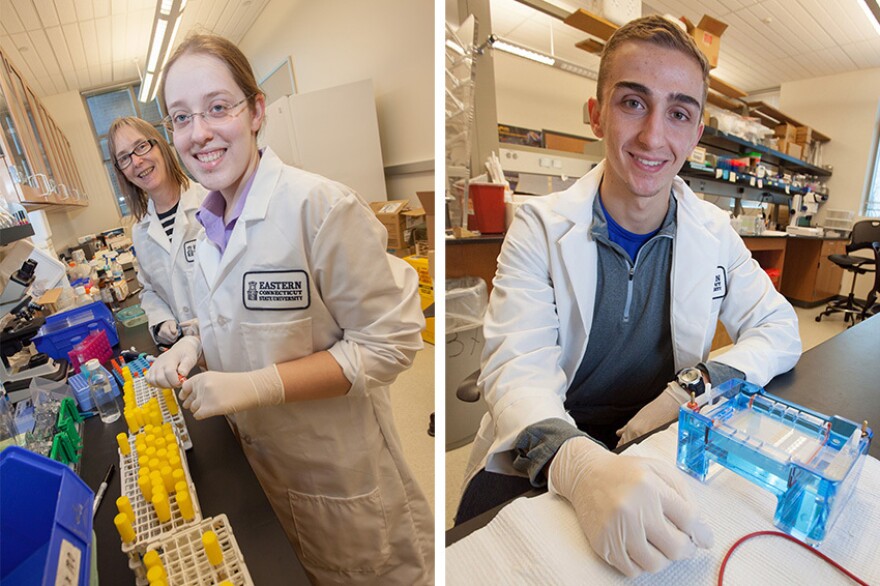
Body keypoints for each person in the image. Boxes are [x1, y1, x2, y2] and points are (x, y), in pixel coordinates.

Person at [456, 15, 801, 578]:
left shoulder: (715, 233)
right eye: (633, 103)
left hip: (660, 436)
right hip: (547, 441)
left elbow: (779, 329)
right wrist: (579, 467)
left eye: (679, 113)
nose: (653, 137)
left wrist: (691, 388)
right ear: (596, 114)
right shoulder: (539, 226)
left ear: (696, 132)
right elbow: (517, 368)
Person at [145, 34, 434, 585]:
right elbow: (228, 314)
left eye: (217, 107)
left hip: (338, 475)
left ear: (256, 111)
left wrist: (258, 385)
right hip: (261, 468)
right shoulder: (200, 227)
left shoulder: (319, 208)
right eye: (180, 117)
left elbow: (391, 343)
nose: (199, 132)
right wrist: (195, 340)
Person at [108, 117, 207, 347]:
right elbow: (150, 289)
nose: (136, 161)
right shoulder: (140, 231)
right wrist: (161, 321)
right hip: (187, 353)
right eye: (124, 158)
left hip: (232, 343)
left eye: (141, 146)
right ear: (121, 171)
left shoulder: (211, 202)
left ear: (160, 145)